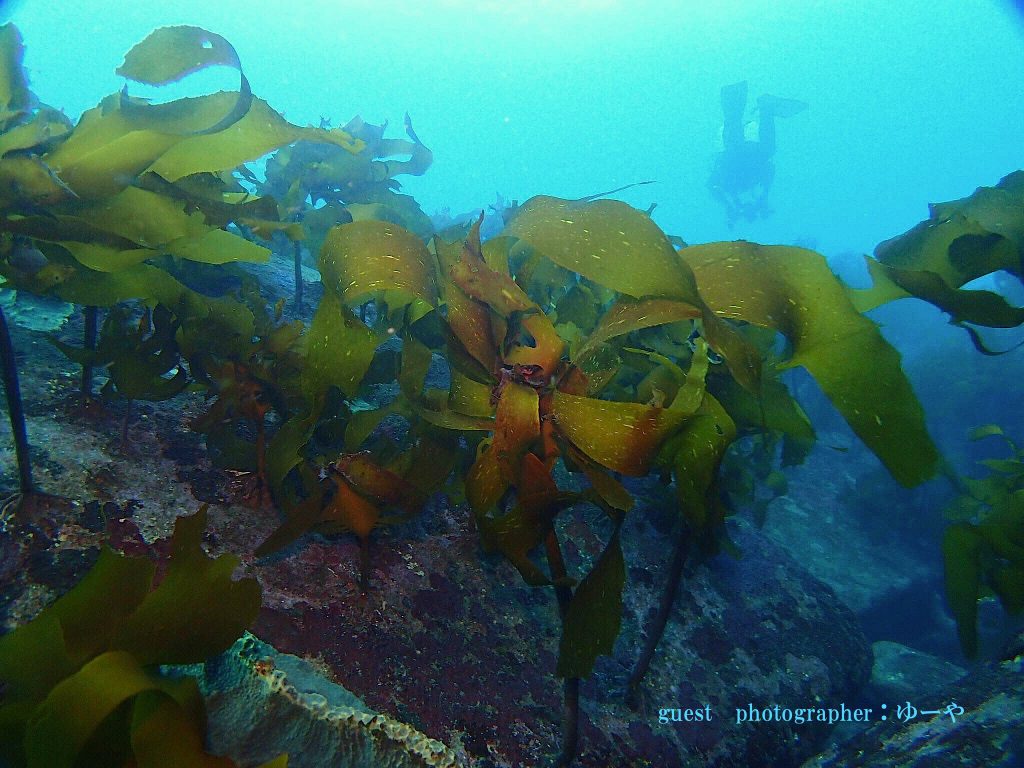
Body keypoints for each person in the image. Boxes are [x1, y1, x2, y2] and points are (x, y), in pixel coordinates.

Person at [708, 81, 807, 227]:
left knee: (762, 149)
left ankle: (753, 105)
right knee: (765, 149)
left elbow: (712, 186)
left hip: (736, 159)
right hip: (748, 157)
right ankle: (765, 108)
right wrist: (763, 198)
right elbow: (770, 170)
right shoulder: (739, 185)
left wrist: (731, 206)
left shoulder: (729, 185)